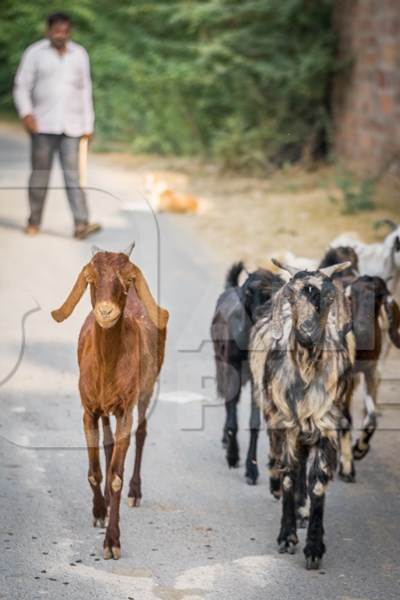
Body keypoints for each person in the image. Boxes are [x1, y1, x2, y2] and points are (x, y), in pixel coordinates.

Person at [13, 12, 101, 239]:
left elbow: (85, 90)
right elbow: (21, 86)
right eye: (57, 31)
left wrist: (88, 124)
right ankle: (34, 221)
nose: (61, 35)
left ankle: (81, 224)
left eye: (65, 31)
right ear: (48, 31)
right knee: (40, 176)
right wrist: (26, 113)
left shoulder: (79, 54)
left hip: (72, 127)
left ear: (69, 31)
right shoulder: (35, 53)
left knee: (74, 176)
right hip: (42, 126)